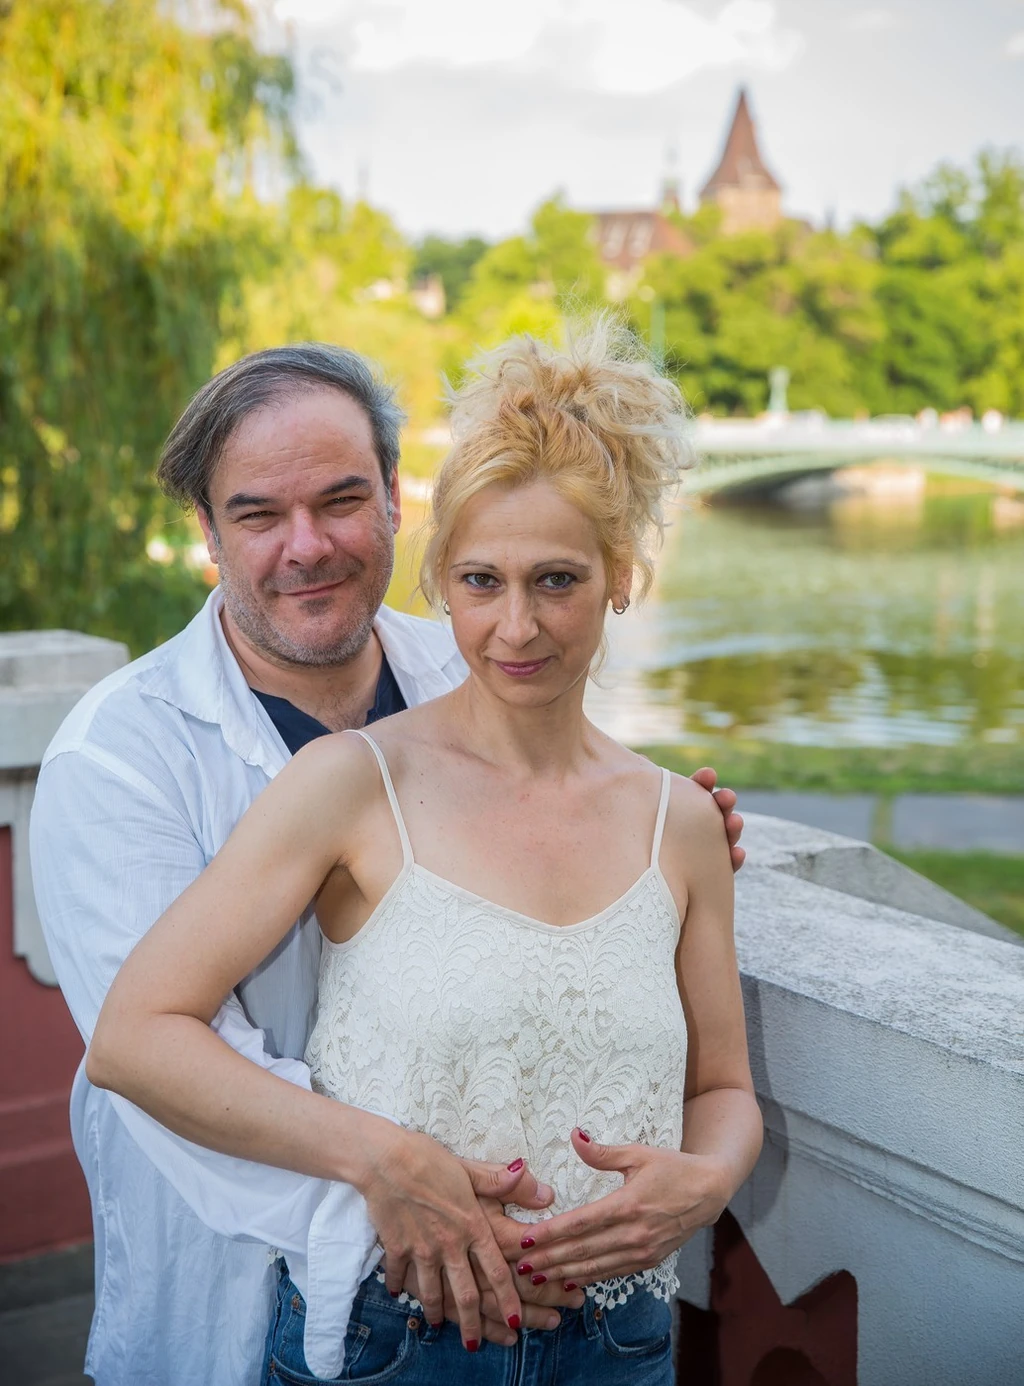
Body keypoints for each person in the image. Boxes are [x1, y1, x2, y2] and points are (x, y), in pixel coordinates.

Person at [86, 320, 763, 1385]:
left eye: (557, 581)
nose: (517, 628)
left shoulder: (674, 821)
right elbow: (133, 1037)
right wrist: (394, 1166)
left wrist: (711, 1177)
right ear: (441, 579)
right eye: (483, 583)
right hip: (397, 1335)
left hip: (622, 1340)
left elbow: (723, 1085)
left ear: (619, 577)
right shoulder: (342, 779)